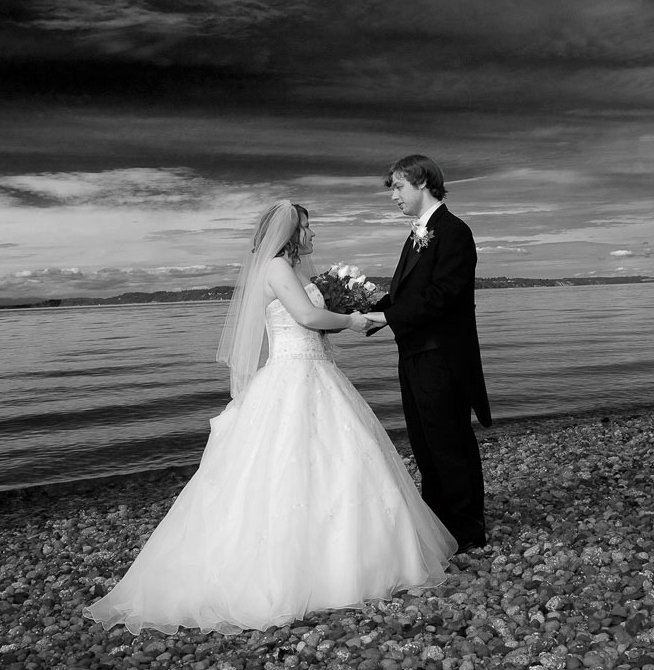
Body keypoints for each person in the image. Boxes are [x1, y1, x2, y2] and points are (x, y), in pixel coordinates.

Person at [83, 200, 456, 635]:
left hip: (319, 372)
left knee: (341, 464)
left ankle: (350, 563)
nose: (313, 236)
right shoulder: (277, 268)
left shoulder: (297, 273)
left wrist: (355, 317)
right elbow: (306, 316)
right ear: (290, 233)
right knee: (288, 467)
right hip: (291, 374)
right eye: (308, 228)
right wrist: (354, 321)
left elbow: (315, 320)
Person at [365, 155, 492, 554]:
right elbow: (408, 296)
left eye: (398, 187)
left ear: (422, 182)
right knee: (425, 442)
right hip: (415, 353)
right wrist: (362, 308)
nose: (394, 197)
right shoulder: (416, 234)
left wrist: (387, 317)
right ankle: (439, 522)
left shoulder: (453, 231)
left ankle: (468, 530)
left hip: (442, 356)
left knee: (449, 442)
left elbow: (443, 296)